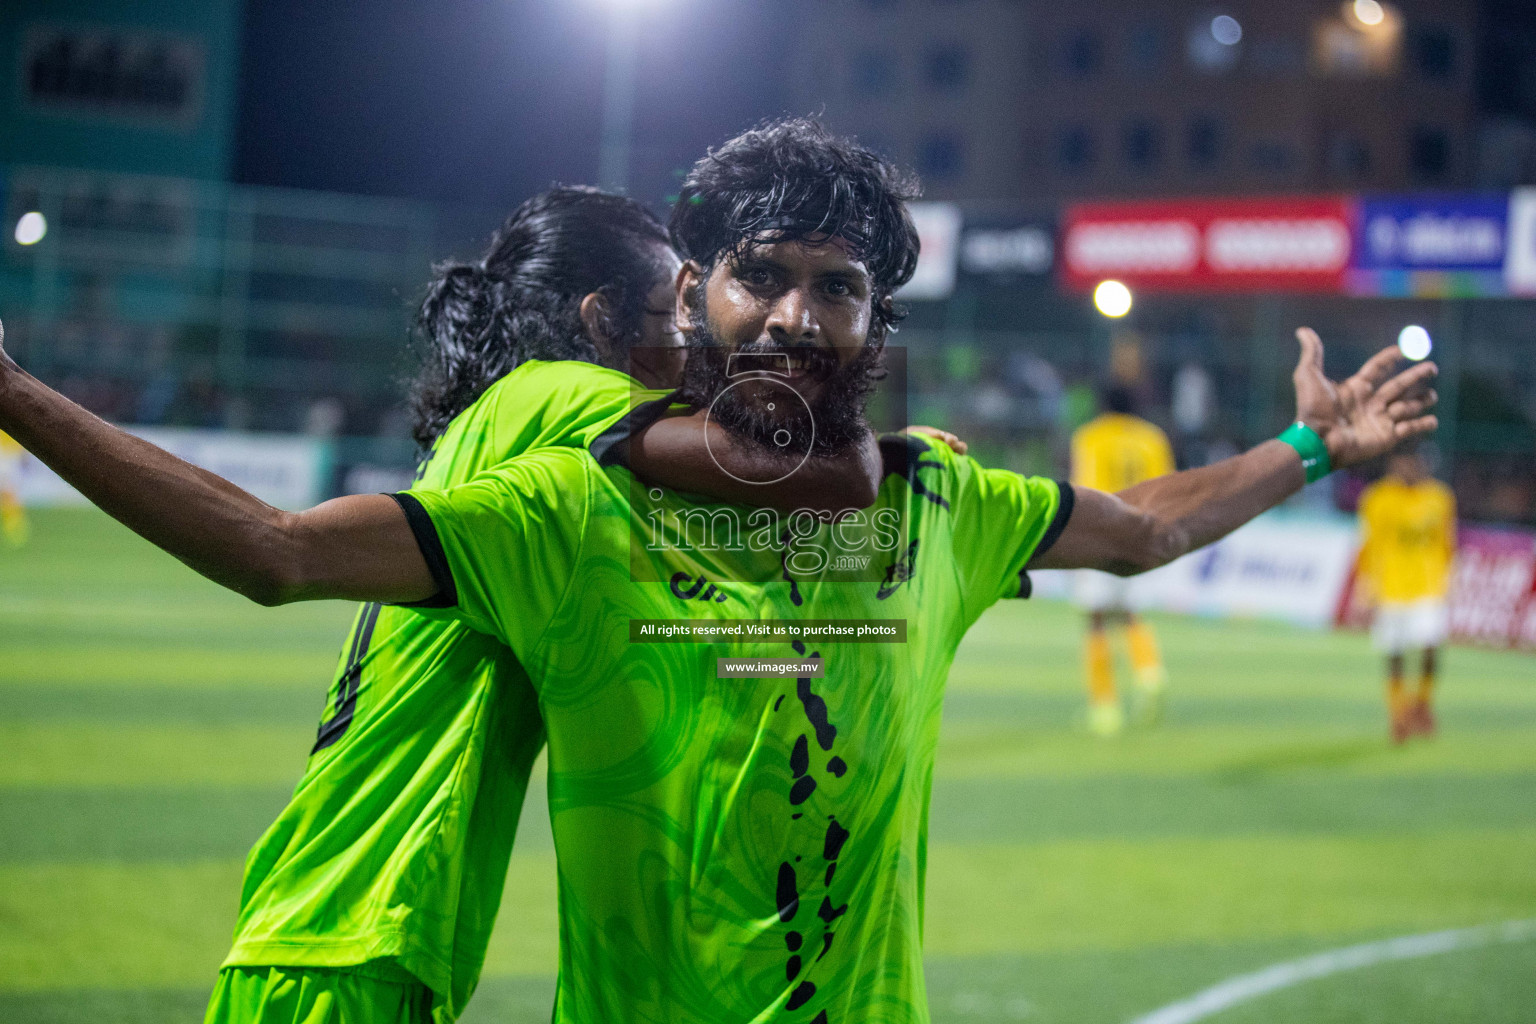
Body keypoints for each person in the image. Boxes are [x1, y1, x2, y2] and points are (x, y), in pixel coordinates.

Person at [0, 119, 1439, 1024]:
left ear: (879, 314)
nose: (801, 316)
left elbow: (1145, 525)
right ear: (689, 297)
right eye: (765, 275)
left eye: (841, 286)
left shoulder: (942, 499)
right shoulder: (569, 509)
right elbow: (273, 552)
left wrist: (1307, 450)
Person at [1069, 384, 1176, 736]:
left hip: (1100, 533)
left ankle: (1105, 708)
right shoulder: (1153, 438)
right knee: (1131, 615)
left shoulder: (1090, 437)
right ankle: (1149, 671)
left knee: (1096, 620)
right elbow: (1166, 486)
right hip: (1142, 532)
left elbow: (1083, 488)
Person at [1356, 446, 1457, 742]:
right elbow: (1368, 542)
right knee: (1395, 652)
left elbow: (1447, 541)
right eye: (1405, 461)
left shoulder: (1439, 497)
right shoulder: (1377, 498)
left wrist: (1453, 577)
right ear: (1394, 463)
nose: (1410, 467)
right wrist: (1366, 583)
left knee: (1429, 646)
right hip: (1391, 588)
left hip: (1429, 586)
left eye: (1416, 461)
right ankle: (1398, 712)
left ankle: (1422, 703)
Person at [0, 427, 27, 546]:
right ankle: (14, 524)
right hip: (6, 455)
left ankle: (14, 524)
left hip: (9, 456)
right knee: (8, 493)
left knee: (9, 492)